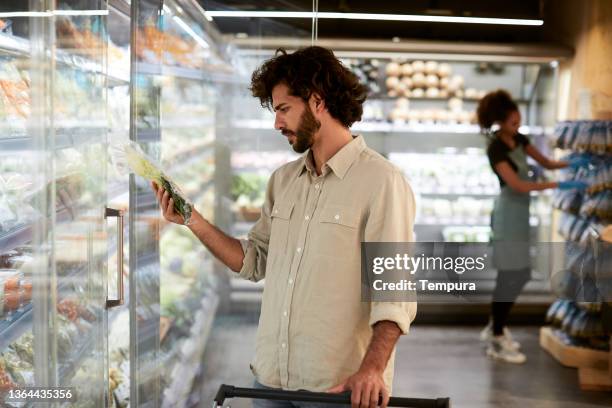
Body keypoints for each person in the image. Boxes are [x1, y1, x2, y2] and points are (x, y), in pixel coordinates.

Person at [153, 46, 417, 408]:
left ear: (317, 101)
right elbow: (253, 261)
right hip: (270, 381)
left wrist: (372, 369)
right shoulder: (283, 180)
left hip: (337, 390)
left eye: (283, 109)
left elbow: (394, 291)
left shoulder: (382, 181)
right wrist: (191, 219)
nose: (277, 123)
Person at [476, 89, 587, 364]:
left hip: (521, 214)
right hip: (507, 215)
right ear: (500, 121)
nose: (517, 126)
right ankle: (497, 337)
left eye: (519, 121)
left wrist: (577, 161)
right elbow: (518, 185)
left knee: (521, 273)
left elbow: (547, 162)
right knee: (509, 275)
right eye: (513, 122)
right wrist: (557, 185)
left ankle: (495, 327)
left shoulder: (520, 140)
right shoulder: (495, 148)